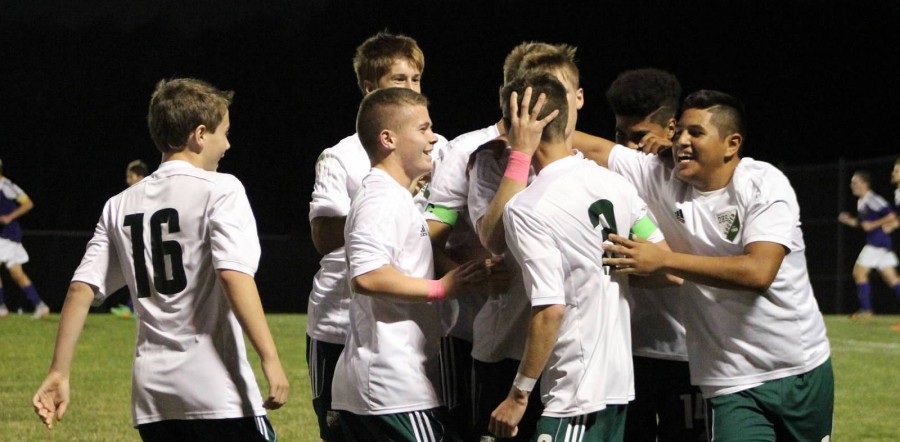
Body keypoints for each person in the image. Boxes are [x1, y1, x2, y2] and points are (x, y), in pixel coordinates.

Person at [32, 78, 289, 441]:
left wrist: (59, 371)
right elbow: (234, 275)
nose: (228, 144)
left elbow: (80, 289)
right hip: (219, 391)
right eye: (224, 133)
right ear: (200, 134)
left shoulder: (119, 204)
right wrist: (270, 358)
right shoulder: (222, 189)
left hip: (154, 398)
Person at [592, 90, 833, 441]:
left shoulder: (763, 184)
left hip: (801, 366)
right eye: (679, 134)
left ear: (731, 143)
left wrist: (665, 260)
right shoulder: (661, 176)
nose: (680, 142)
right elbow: (595, 148)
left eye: (696, 133)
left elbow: (758, 272)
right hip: (730, 380)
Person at [488, 73, 670, 441]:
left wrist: (518, 395)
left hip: (574, 391)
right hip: (618, 384)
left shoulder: (527, 207)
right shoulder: (616, 184)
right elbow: (665, 264)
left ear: (517, 127)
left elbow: (551, 308)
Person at [306, 30, 449, 442]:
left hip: (406, 319)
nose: (410, 87)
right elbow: (323, 233)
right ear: (370, 88)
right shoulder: (345, 156)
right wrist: (384, 207)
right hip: (341, 319)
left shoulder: (433, 146)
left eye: (416, 79)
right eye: (399, 80)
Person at [331, 87, 487, 442]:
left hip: (385, 387)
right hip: (391, 388)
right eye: (423, 129)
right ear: (388, 139)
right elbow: (368, 276)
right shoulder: (380, 199)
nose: (433, 139)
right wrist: (441, 288)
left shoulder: (396, 196)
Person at [467, 42, 593, 441]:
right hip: (504, 346)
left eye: (553, 91)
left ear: (576, 98)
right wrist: (521, 157)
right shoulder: (490, 161)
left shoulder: (597, 171)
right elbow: (494, 239)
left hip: (570, 355)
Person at [605, 68, 705, 441]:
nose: (629, 147)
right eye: (620, 136)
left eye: (638, 137)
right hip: (630, 350)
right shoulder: (617, 173)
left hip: (689, 351)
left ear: (673, 127)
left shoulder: (708, 178)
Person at [837, 170, 900, 319]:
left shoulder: (872, 198)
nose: (852, 185)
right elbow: (862, 224)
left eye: (855, 182)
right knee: (893, 279)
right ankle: (867, 310)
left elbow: (891, 215)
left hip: (877, 242)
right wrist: (849, 220)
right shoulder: (862, 202)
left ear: (865, 184)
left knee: (859, 273)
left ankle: (866, 310)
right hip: (881, 244)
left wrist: (874, 224)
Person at [0, 158, 50, 319]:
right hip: (6, 234)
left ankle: (1, 308)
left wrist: (9, 217)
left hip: (8, 233)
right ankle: (40, 305)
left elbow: (28, 203)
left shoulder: (6, 186)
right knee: (16, 272)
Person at [110, 159, 152, 319]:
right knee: (137, 272)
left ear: (140, 176)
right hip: (139, 237)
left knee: (141, 272)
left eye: (131, 176)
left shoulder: (147, 192)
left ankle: (133, 308)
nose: (128, 180)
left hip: (148, 239)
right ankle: (132, 306)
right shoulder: (133, 195)